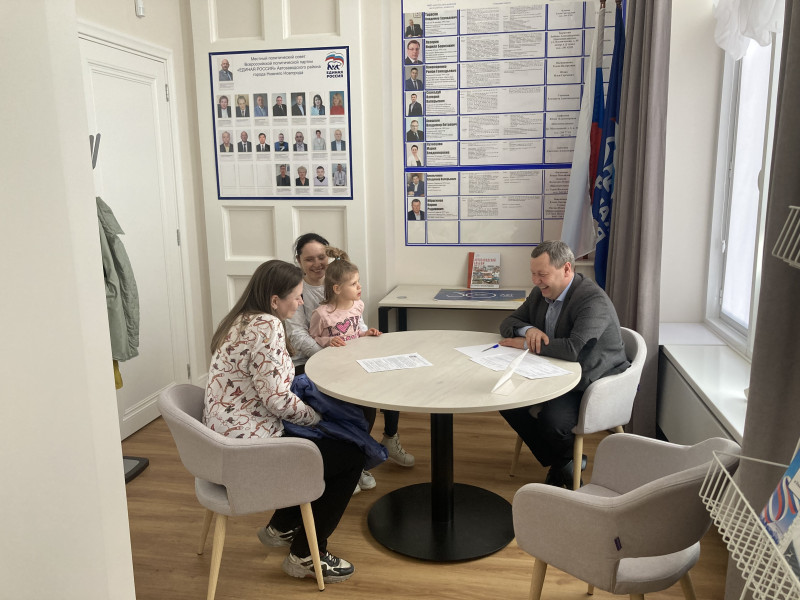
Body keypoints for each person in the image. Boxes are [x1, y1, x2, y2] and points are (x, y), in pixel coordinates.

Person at [204, 260, 361, 582]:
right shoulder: (268, 326)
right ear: (275, 300)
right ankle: (305, 555)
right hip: (248, 449)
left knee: (331, 445)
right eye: (297, 296)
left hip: (223, 440)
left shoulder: (239, 319)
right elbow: (276, 400)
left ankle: (282, 526)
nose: (301, 302)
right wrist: (316, 417)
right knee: (351, 455)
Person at [497, 241, 630, 487]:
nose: (535, 281)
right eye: (533, 274)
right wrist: (529, 330)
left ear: (566, 269)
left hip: (592, 379)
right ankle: (565, 461)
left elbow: (573, 349)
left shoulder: (592, 300)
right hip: (555, 371)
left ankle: (562, 463)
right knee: (507, 401)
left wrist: (525, 344)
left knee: (554, 421)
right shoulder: (540, 293)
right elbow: (508, 322)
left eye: (542, 274)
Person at [286, 234, 415, 474]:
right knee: (353, 397)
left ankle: (388, 437)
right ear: (298, 260)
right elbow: (298, 336)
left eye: (321, 257)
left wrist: (365, 337)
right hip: (310, 359)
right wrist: (329, 355)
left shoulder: (344, 282)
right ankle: (356, 458)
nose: (317, 264)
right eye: (309, 259)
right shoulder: (297, 291)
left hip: (346, 353)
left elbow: (356, 324)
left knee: (386, 376)